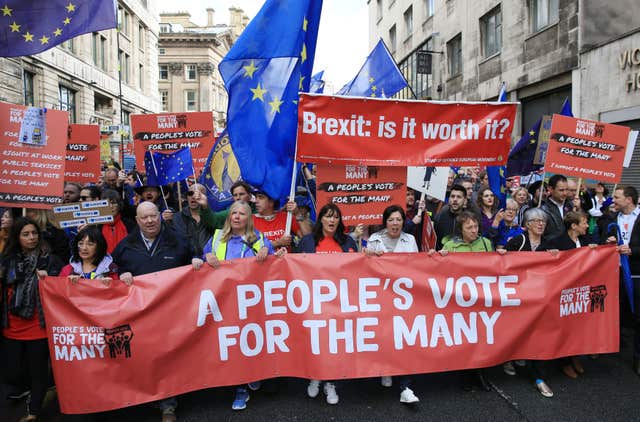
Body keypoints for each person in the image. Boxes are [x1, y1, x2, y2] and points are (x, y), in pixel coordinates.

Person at [111, 201, 202, 422]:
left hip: (173, 312)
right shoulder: (124, 247)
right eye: (144, 218)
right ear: (137, 220)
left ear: (160, 216)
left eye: (154, 216)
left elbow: (194, 259)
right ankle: (146, 396)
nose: (150, 221)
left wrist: (196, 261)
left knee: (168, 357)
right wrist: (120, 276)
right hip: (140, 314)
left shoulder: (179, 241)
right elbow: (112, 271)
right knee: (146, 356)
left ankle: (168, 404)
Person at [202, 201, 284, 410]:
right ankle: (240, 389)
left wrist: (274, 254)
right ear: (229, 217)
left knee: (253, 342)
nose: (237, 216)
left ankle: (253, 374)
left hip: (252, 303)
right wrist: (203, 258)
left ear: (249, 218)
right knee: (235, 346)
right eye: (234, 213)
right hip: (226, 302)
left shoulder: (259, 239)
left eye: (242, 213)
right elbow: (201, 261)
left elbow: (275, 267)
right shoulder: (217, 238)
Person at [1, 217, 63, 421]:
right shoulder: (7, 260)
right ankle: (32, 392)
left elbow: (63, 286)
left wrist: (49, 278)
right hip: (12, 325)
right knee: (14, 371)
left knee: (38, 372)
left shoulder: (50, 260)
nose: (31, 238)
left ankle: (34, 410)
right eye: (25, 234)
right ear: (17, 237)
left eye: (34, 233)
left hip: (39, 325)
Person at [298, 203, 357, 406]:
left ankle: (331, 382)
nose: (332, 221)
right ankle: (315, 375)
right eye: (328, 216)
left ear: (340, 221)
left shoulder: (348, 241)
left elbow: (357, 270)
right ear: (320, 219)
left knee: (334, 344)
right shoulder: (307, 242)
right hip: (313, 302)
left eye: (336, 217)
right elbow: (294, 268)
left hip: (339, 302)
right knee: (316, 341)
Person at [438, 211, 503, 391]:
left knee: (480, 336)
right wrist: (437, 258)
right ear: (461, 230)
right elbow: (438, 271)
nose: (474, 231)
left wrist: (501, 255)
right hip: (459, 300)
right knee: (463, 337)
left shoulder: (485, 243)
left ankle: (479, 373)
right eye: (469, 228)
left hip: (481, 298)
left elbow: (495, 267)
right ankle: (463, 376)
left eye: (475, 227)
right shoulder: (450, 246)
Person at [364, 205, 420, 404]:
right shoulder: (374, 240)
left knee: (404, 338)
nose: (395, 223)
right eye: (391, 220)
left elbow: (420, 267)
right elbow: (366, 269)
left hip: (405, 299)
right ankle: (385, 369)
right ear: (385, 222)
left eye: (398, 220)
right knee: (385, 336)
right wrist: (367, 255)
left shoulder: (410, 240)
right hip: (381, 298)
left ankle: (405, 386)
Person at [539, 211, 596, 379]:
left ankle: (575, 356)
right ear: (574, 226)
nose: (587, 226)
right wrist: (551, 254)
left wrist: (594, 250)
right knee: (564, 327)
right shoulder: (556, 241)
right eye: (584, 223)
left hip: (581, 292)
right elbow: (538, 257)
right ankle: (563, 362)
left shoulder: (585, 240)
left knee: (579, 326)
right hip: (562, 292)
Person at [505, 208, 554, 397]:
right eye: (536, 221)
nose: (541, 224)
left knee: (538, 335)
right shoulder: (518, 241)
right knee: (515, 331)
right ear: (527, 225)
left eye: (543, 221)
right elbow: (500, 265)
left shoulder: (549, 243)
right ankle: (509, 357)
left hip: (539, 298)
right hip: (518, 297)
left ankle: (539, 378)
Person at [602, 186, 640, 375]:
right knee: (614, 310)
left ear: (629, 199)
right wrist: (607, 242)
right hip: (613, 274)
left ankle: (638, 357)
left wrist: (632, 250)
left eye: (616, 197)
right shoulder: (611, 218)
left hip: (636, 274)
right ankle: (609, 345)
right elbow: (600, 239)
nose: (613, 200)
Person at [172, 183, 226, 257]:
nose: (194, 197)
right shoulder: (177, 217)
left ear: (205, 197)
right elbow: (181, 241)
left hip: (210, 259)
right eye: (190, 193)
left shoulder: (213, 217)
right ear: (187, 197)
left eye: (198, 194)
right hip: (188, 262)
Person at [100, 189, 135, 253]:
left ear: (119, 205)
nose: (110, 206)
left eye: (113, 203)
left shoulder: (129, 224)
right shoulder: (97, 226)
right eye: (106, 203)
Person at [434, 184, 468, 249]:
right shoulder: (440, 217)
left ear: (465, 200)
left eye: (459, 197)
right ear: (449, 199)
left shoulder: (469, 219)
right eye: (452, 196)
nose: (455, 199)